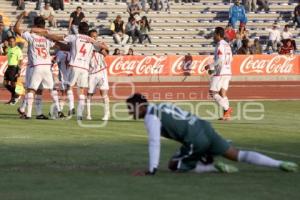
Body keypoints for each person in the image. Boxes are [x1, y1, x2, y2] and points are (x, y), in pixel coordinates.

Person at [127, 93, 298, 176]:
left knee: (174, 165)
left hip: (194, 139)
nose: (129, 112)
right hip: (205, 128)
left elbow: (154, 143)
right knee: (236, 154)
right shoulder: (161, 106)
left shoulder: (151, 116)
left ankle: (211, 166)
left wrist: (151, 170)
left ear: (141, 106)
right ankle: (279, 163)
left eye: (131, 108)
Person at [40, 22, 109, 120]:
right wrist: (102, 45)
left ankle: (71, 107)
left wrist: (47, 35)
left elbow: (59, 38)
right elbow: (104, 50)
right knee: (81, 91)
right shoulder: (91, 40)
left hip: (75, 65)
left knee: (69, 87)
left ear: (79, 29)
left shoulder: (75, 37)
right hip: (85, 69)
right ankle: (79, 115)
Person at [14, 12, 64, 119]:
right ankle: (57, 111)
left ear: (35, 25)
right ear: (44, 25)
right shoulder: (47, 37)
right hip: (47, 66)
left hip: (35, 66)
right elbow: (58, 44)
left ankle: (27, 114)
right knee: (51, 89)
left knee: (31, 89)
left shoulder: (31, 35)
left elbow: (16, 29)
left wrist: (22, 16)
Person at [205, 27, 233, 120]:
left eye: (214, 34)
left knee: (212, 93)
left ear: (218, 34)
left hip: (221, 72)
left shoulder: (220, 45)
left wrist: (210, 66)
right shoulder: (227, 45)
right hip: (228, 71)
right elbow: (230, 58)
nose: (213, 36)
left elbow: (220, 59)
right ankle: (227, 115)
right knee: (222, 92)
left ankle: (227, 108)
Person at [86, 30, 110, 121]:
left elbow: (106, 53)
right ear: (89, 36)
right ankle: (88, 114)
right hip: (91, 72)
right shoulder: (86, 46)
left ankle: (106, 114)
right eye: (92, 36)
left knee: (103, 93)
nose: (94, 38)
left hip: (102, 71)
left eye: (95, 36)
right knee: (89, 94)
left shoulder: (98, 44)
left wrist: (102, 47)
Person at [3, 36, 23, 105]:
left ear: (15, 42)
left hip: (14, 68)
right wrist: (5, 46)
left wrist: (19, 70)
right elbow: (4, 53)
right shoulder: (9, 48)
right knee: (5, 84)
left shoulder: (18, 49)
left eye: (13, 41)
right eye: (10, 41)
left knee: (13, 84)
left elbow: (20, 60)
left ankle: (14, 98)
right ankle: (15, 95)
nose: (11, 43)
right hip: (9, 68)